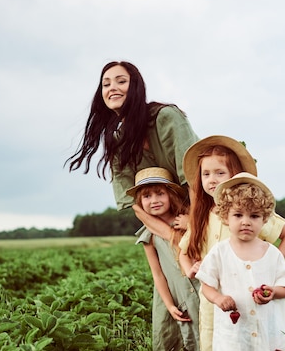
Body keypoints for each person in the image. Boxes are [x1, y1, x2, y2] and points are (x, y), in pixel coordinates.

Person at [179, 136, 285, 351]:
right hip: (216, 296)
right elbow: (184, 251)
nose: (212, 179)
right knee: (216, 349)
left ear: (235, 176)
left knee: (256, 345)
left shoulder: (248, 210)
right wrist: (190, 270)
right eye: (206, 174)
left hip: (251, 293)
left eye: (220, 173)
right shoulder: (203, 214)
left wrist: (268, 264)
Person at [66, 60, 198, 229]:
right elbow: (134, 202)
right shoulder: (117, 141)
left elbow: (193, 178)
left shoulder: (166, 117)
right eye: (106, 85)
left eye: (121, 81)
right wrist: (168, 234)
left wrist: (194, 223)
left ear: (136, 87)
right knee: (147, 238)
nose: (112, 88)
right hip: (168, 221)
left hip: (204, 205)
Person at [127, 167, 202, 351]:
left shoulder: (187, 218)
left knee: (208, 332)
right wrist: (169, 304)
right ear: (140, 203)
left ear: (170, 195)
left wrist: (191, 224)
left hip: (202, 285)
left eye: (160, 193)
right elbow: (158, 275)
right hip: (177, 292)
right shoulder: (148, 235)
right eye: (147, 196)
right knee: (183, 336)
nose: (154, 200)